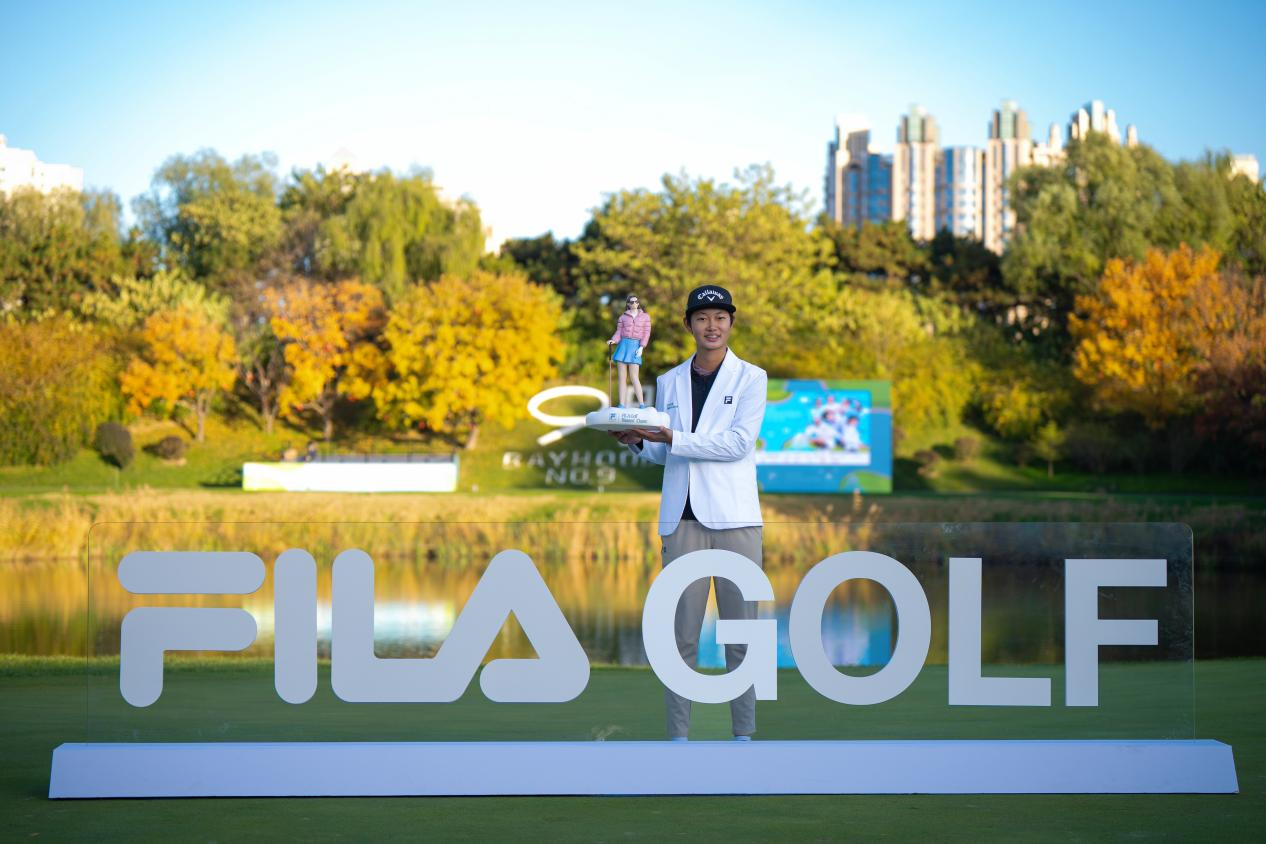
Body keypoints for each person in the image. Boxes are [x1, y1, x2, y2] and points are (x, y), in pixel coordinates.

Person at [610, 284, 768, 742]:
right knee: (680, 636)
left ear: (731, 323)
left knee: (742, 636)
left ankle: (744, 737)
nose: (711, 326)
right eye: (702, 318)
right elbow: (668, 454)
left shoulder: (751, 377)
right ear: (688, 325)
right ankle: (678, 739)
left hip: (736, 520)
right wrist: (638, 441)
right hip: (681, 522)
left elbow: (737, 445)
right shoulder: (670, 380)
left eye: (720, 318)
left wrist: (672, 438)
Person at [607, 294, 651, 407]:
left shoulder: (645, 317)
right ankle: (621, 404)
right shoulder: (623, 317)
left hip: (635, 346)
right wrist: (613, 340)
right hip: (623, 346)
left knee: (634, 377)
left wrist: (641, 347)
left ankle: (641, 404)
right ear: (628, 304)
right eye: (632, 302)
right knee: (622, 378)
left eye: (636, 301)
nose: (634, 303)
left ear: (638, 303)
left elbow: (646, 333)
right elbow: (619, 332)